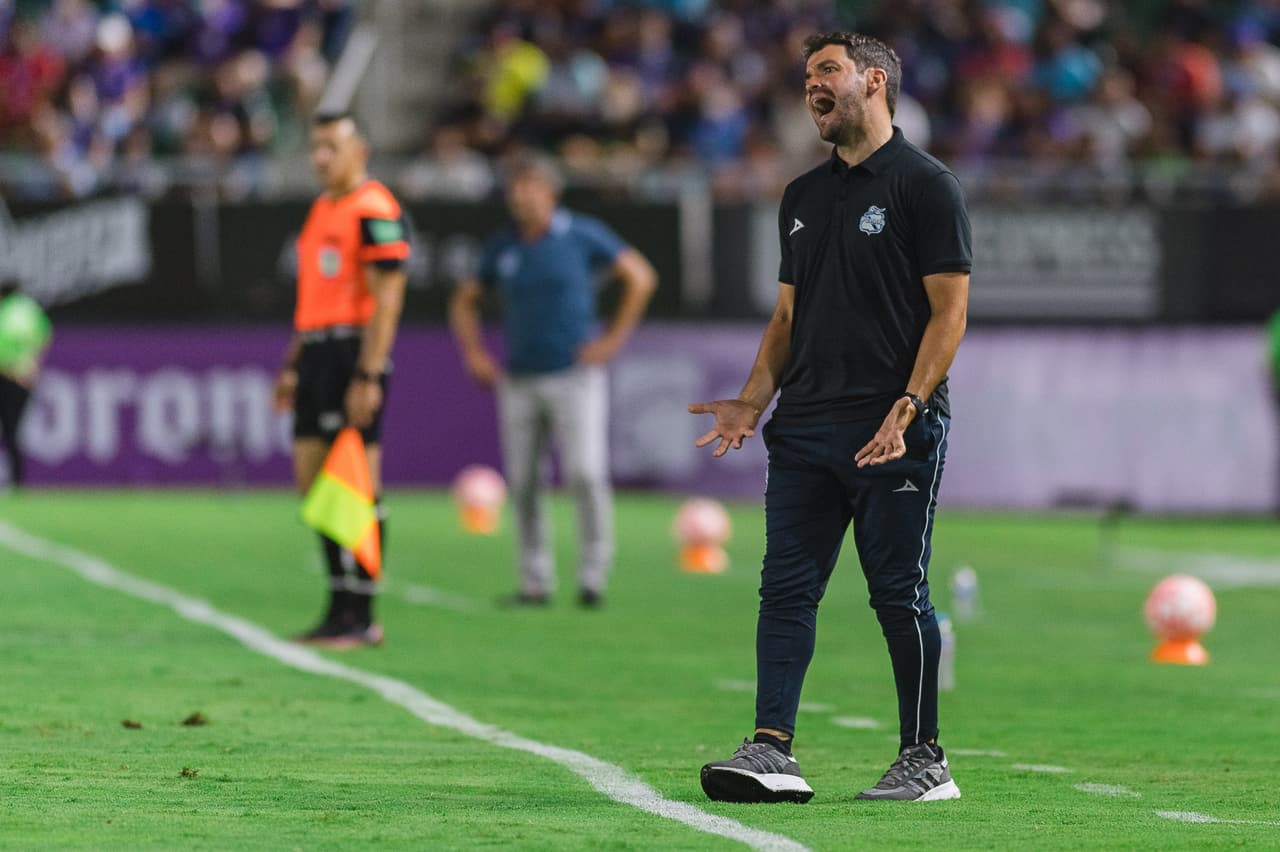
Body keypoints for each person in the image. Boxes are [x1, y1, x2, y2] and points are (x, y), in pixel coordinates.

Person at [689, 32, 972, 803]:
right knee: (784, 591)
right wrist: (753, 400)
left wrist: (908, 407)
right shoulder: (802, 198)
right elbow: (786, 319)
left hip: (892, 431)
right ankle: (772, 749)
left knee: (897, 592)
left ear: (873, 81)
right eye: (807, 75)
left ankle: (926, 760)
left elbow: (950, 314)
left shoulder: (927, 185)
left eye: (826, 71)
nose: (810, 85)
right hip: (806, 428)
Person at [449, 154, 657, 608]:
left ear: (550, 192)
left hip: (574, 374)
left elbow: (640, 277)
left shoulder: (580, 235)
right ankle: (534, 579)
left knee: (585, 473)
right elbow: (464, 299)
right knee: (523, 482)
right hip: (520, 377)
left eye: (529, 186)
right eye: (515, 188)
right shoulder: (504, 247)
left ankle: (593, 574)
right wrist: (475, 353)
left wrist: (611, 341)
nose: (520, 196)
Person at [272, 112, 410, 648]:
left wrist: (369, 373)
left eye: (331, 146)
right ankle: (337, 604)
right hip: (317, 349)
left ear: (361, 150)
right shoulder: (321, 210)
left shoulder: (375, 208)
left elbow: (388, 298)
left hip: (354, 351)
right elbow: (314, 299)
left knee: (359, 482)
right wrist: (292, 363)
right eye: (316, 147)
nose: (320, 157)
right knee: (313, 482)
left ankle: (362, 612)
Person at [0, 281, 52, 488]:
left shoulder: (10, 310)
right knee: (13, 432)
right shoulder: (29, 309)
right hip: (19, 376)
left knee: (11, 430)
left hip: (9, 376)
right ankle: (17, 482)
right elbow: (44, 334)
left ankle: (17, 482)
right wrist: (33, 362)